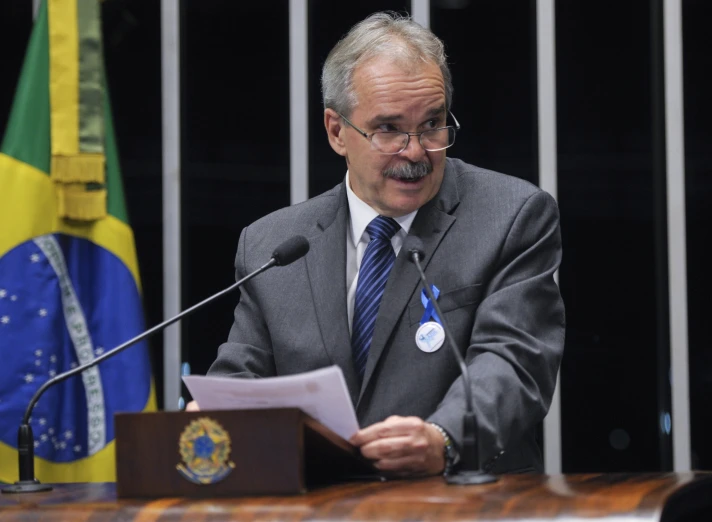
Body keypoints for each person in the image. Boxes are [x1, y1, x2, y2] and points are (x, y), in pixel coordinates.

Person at [190, 12, 564, 477]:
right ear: (336, 131)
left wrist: (443, 438)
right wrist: (213, 415)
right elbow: (242, 378)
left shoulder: (510, 215)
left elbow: (515, 361)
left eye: (433, 124)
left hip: (462, 501)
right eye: (388, 129)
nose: (416, 152)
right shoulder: (274, 244)